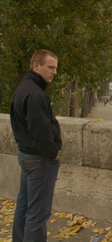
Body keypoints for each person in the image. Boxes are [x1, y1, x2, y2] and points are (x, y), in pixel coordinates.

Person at [10, 49, 62, 242]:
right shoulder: (36, 94)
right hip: (40, 159)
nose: (54, 72)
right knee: (37, 214)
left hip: (26, 156)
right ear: (36, 65)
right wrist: (53, 153)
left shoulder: (23, 88)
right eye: (50, 67)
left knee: (24, 207)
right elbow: (40, 132)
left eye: (55, 68)